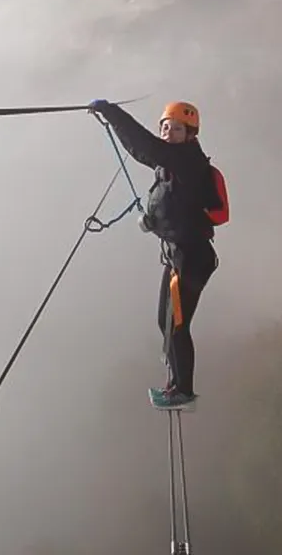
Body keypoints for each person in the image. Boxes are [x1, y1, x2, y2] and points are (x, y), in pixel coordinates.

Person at [87, 99, 221, 410]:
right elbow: (142, 153)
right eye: (165, 127)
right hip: (179, 256)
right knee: (167, 323)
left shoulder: (186, 159)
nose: (168, 133)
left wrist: (111, 112)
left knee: (176, 325)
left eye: (176, 129)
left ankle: (183, 393)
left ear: (190, 135)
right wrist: (154, 221)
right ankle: (176, 382)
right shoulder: (171, 163)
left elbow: (144, 145)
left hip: (190, 260)